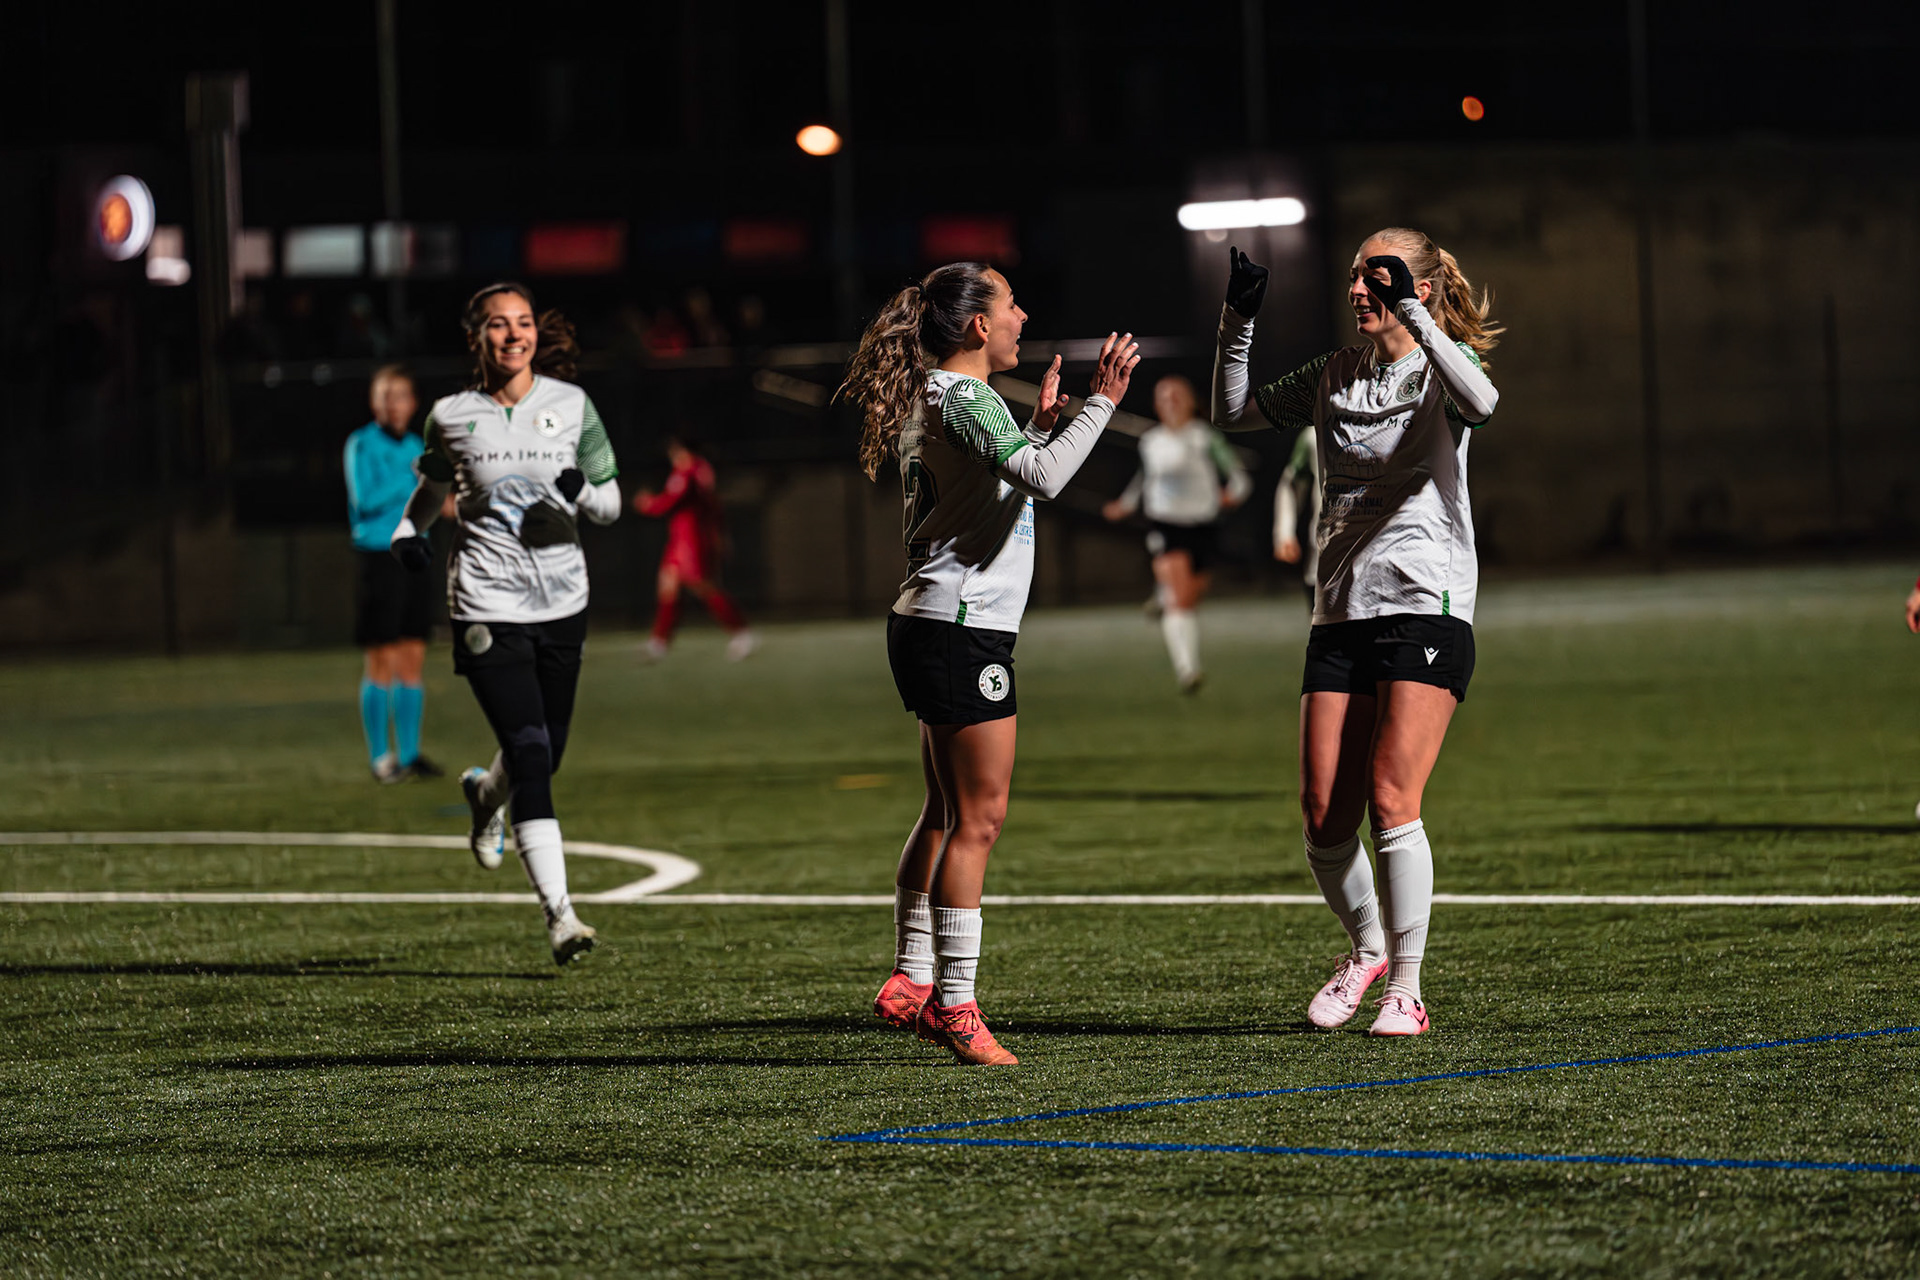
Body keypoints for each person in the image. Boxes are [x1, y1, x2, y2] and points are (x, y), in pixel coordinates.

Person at [839, 261, 1139, 1065]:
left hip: (930, 621)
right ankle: (955, 1005)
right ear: (978, 324)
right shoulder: (966, 398)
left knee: (945, 810)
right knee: (980, 818)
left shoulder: (942, 395)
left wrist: (1035, 429)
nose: (1021, 315)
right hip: (961, 629)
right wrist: (1104, 402)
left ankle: (910, 977)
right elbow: (1045, 480)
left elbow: (1000, 487)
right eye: (1010, 304)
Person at [1212, 230, 1500, 1037]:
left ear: (1418, 286)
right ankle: (1368, 948)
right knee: (1322, 816)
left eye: (1378, 277)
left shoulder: (1443, 366)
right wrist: (1238, 320)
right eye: (1355, 277)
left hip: (1425, 602)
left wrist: (1418, 315)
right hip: (1339, 608)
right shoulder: (1334, 372)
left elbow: (1482, 404)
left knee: (1390, 796)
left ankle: (1407, 988)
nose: (1359, 290)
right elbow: (1232, 412)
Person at [389, 282, 623, 965]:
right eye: (498, 324)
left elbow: (611, 504)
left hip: (562, 600)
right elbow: (433, 490)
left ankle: (484, 796)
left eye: (523, 322)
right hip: (486, 602)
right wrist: (407, 532)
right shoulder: (450, 415)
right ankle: (561, 916)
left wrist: (583, 492)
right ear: (476, 337)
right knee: (529, 750)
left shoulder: (572, 405)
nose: (514, 334)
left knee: (546, 750)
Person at [1101, 374, 1251, 691]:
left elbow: (1239, 478)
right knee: (1179, 601)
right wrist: (1125, 505)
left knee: (1189, 600)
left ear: (1191, 402)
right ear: (1156, 405)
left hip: (1204, 526)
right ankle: (1187, 670)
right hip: (1166, 524)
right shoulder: (1151, 442)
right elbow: (1143, 480)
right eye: (1164, 397)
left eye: (1177, 396)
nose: (1171, 402)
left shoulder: (1205, 438)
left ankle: (1162, 593)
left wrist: (1231, 496)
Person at [343, 365, 445, 783]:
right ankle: (380, 758)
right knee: (381, 657)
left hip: (415, 554)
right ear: (374, 402)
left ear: (413, 403)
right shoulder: (362, 443)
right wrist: (411, 478)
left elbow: (433, 500)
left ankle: (410, 754)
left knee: (412, 656)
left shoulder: (418, 445)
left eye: (400, 395)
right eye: (385, 396)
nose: (393, 404)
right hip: (378, 555)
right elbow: (365, 500)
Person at [632, 435, 755, 661]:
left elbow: (671, 500)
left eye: (674, 453)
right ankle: (659, 642)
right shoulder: (701, 469)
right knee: (668, 585)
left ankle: (741, 632)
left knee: (703, 586)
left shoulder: (687, 472)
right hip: (685, 537)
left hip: (690, 539)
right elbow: (712, 505)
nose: (673, 458)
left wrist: (647, 504)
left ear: (682, 451)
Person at [1273, 424, 1320, 611]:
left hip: (1388, 553)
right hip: (1326, 555)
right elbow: (1291, 483)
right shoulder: (1314, 434)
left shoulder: (1401, 422)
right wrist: (1285, 532)